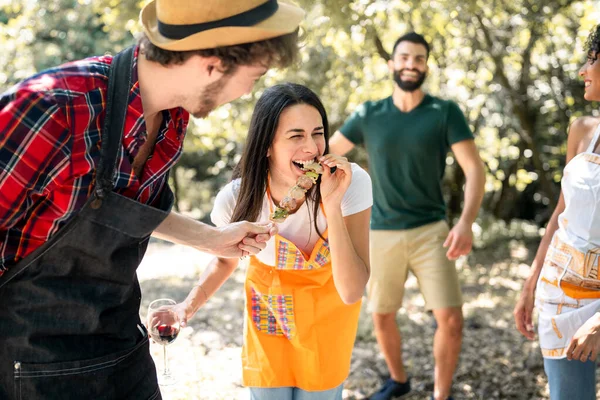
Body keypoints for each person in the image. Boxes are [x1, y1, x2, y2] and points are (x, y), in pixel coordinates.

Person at [0, 1, 304, 398]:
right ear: (212, 62)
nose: (249, 91)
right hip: (33, 367)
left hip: (122, 346)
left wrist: (211, 239)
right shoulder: (55, 108)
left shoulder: (174, 117)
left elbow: (123, 207)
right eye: (255, 74)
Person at [175, 83, 373, 400]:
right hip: (270, 314)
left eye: (317, 133)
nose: (312, 147)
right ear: (266, 145)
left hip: (329, 317)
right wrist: (187, 306)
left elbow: (351, 291)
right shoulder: (236, 200)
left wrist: (332, 206)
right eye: (296, 136)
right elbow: (225, 259)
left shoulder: (353, 184)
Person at [328, 32, 485, 400]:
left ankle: (441, 395)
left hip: (433, 231)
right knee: (381, 316)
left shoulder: (444, 112)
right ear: (391, 64)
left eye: (418, 59)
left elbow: (475, 169)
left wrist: (465, 222)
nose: (411, 65)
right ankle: (399, 380)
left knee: (451, 320)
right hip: (380, 232)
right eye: (404, 58)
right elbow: (327, 154)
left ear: (426, 66)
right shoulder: (368, 114)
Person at [514, 24, 600, 400]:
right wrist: (531, 283)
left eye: (592, 60)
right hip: (560, 294)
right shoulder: (582, 130)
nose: (583, 70)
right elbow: (561, 210)